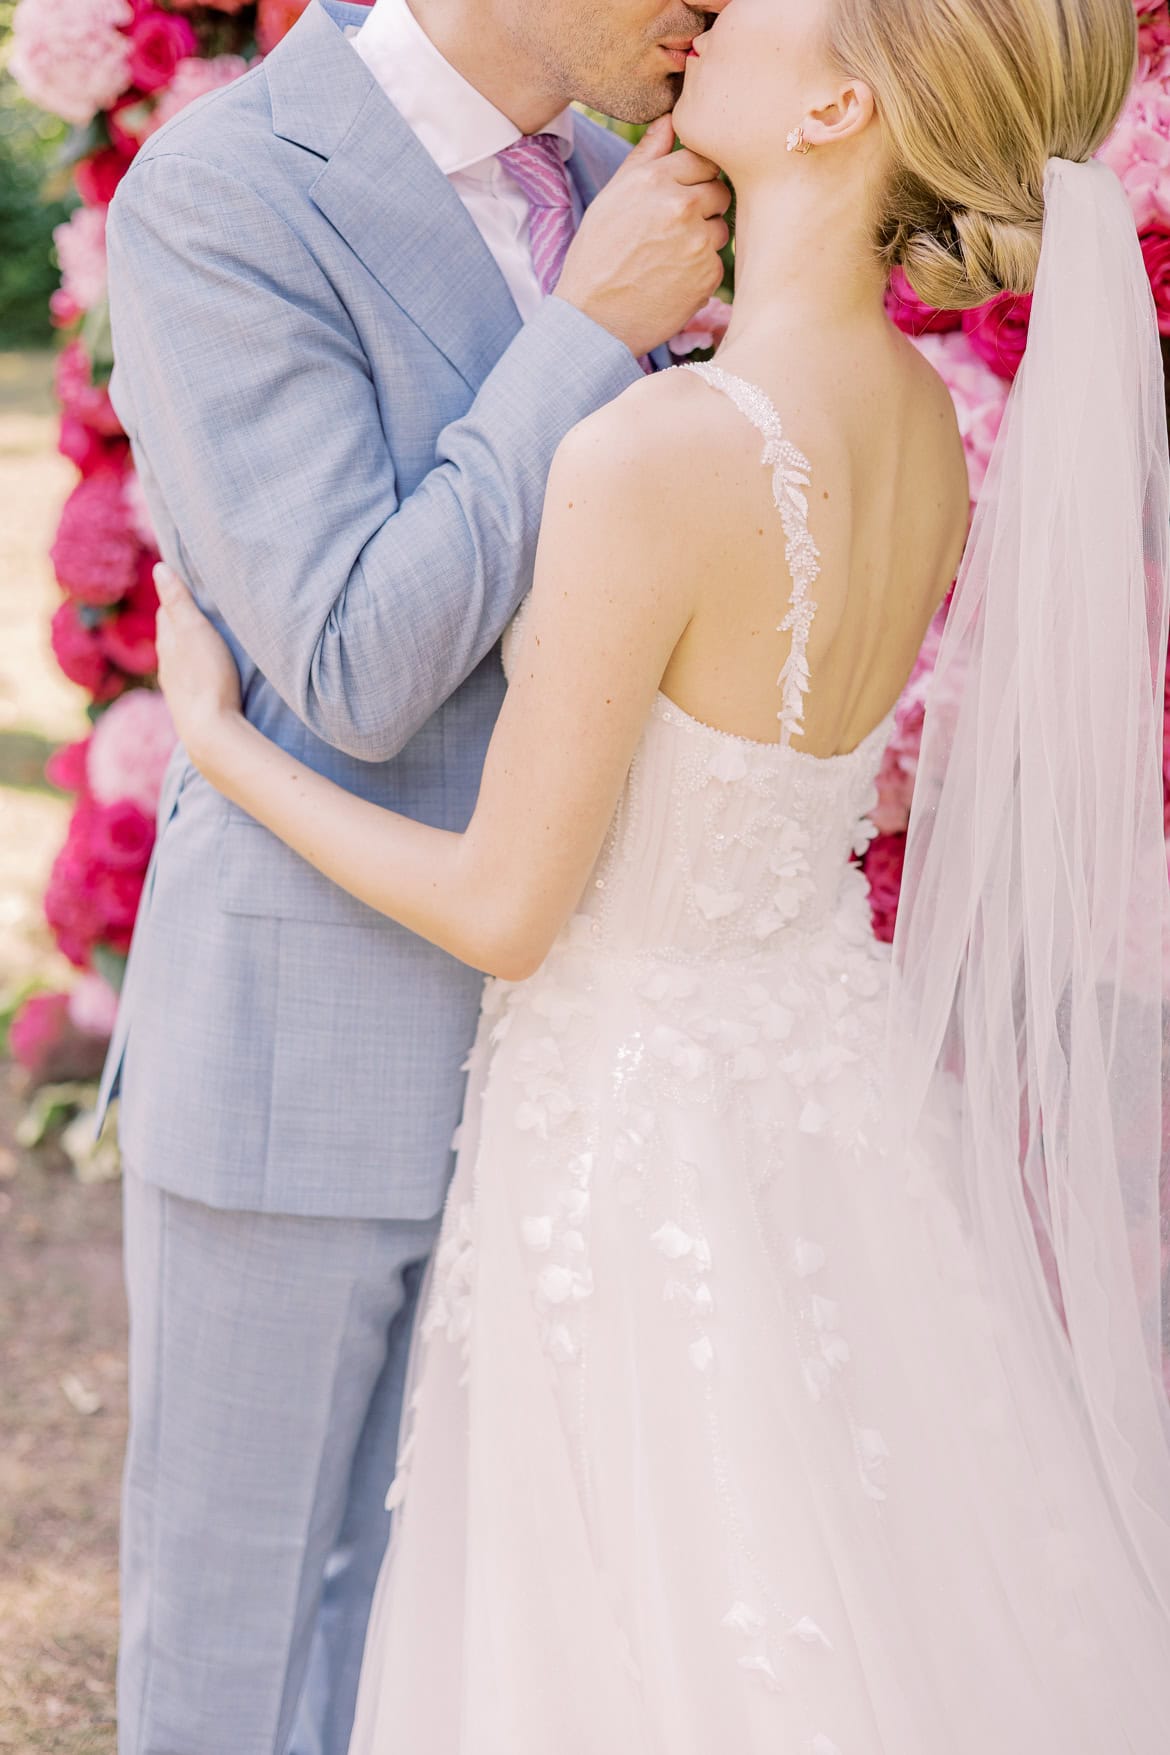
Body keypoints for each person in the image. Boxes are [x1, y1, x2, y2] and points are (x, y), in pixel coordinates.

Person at [156, 0, 1170, 1747]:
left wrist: (215, 741)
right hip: (789, 1103)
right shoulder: (919, 420)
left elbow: (502, 889)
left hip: (611, 1116)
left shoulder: (658, 423)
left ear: (842, 98)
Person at [100, 0, 733, 1748]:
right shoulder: (223, 191)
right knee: (237, 1648)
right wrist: (590, 333)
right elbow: (355, 668)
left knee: (439, 1654)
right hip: (312, 1056)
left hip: (573, 1057)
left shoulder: (629, 180)